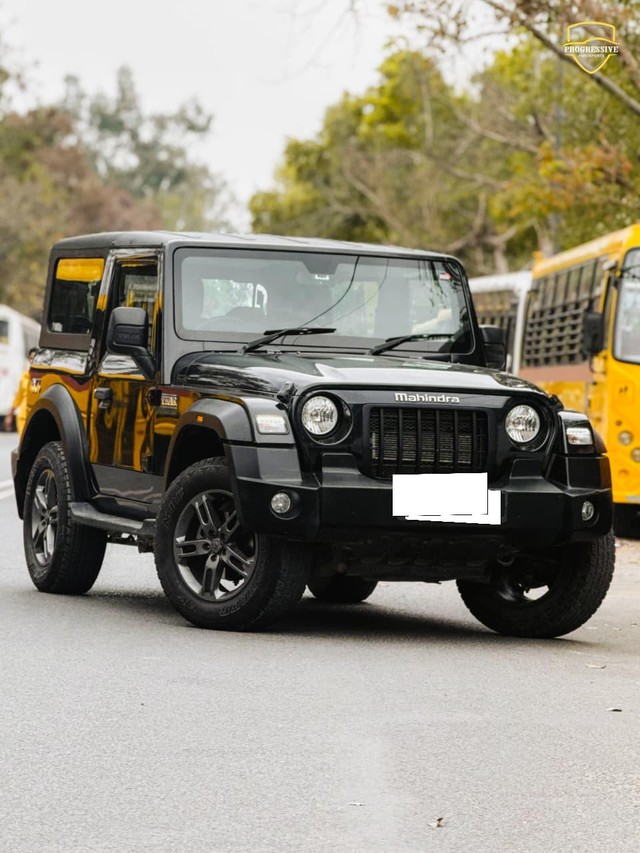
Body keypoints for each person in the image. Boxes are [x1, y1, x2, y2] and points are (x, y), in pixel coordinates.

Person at [4, 348, 37, 435]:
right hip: (23, 417)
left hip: (36, 416)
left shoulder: (43, 377)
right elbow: (19, 397)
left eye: (36, 358)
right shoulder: (24, 376)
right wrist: (10, 415)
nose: (33, 360)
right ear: (28, 359)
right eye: (31, 358)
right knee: (24, 446)